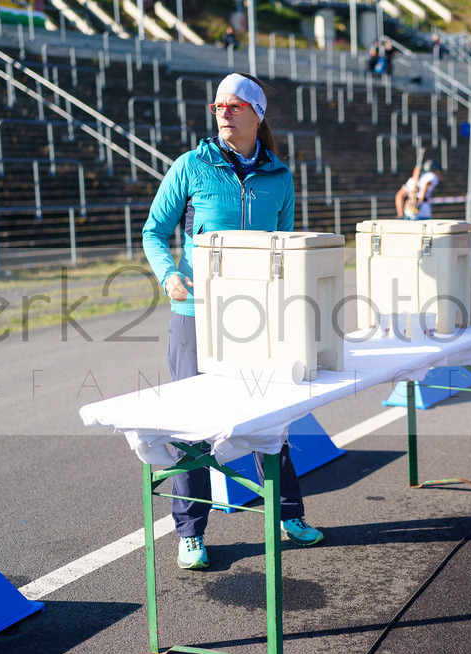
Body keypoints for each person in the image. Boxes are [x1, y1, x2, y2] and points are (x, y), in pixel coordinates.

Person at [142, 73, 325, 570]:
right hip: (195, 316)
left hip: (258, 320)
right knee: (191, 425)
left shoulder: (280, 176)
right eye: (218, 104)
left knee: (273, 416)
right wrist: (169, 275)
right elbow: (154, 231)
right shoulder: (191, 166)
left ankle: (289, 515)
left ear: (257, 114)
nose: (223, 111)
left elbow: (284, 251)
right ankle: (190, 533)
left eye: (235, 104)